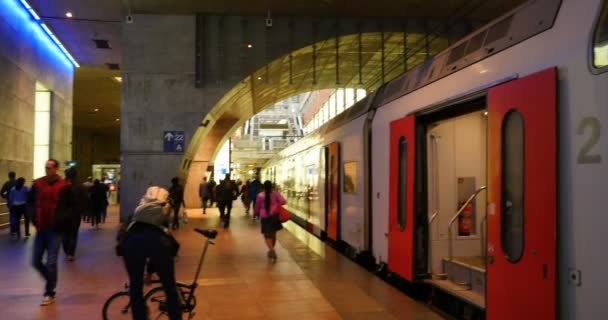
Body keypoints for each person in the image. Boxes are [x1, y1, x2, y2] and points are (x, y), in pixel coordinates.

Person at [122, 186, 181, 320]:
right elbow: (160, 241)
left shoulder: (140, 208)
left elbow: (126, 229)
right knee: (169, 287)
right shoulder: (163, 208)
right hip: (158, 243)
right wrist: (150, 271)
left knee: (135, 287)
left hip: (133, 242)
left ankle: (140, 316)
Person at [30, 159, 70, 306]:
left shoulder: (64, 186)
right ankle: (51, 280)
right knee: (35, 261)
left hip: (56, 229)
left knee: (51, 261)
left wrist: (65, 220)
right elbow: (31, 202)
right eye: (46, 167)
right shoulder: (38, 184)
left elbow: (72, 206)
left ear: (56, 169)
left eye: (50, 168)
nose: (47, 170)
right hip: (41, 228)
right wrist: (33, 217)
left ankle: (49, 292)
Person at [57, 167, 88, 261]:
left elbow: (57, 200)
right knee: (73, 234)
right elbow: (85, 200)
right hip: (75, 214)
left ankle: (66, 250)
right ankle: (71, 253)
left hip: (63, 214)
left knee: (64, 234)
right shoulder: (80, 186)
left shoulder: (61, 184)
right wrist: (84, 212)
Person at [254, 180, 286, 261]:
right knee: (273, 234)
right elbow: (283, 201)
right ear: (271, 186)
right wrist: (276, 204)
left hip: (265, 217)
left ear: (263, 187)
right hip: (274, 216)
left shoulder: (260, 195)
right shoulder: (276, 194)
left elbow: (257, 206)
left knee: (267, 235)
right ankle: (271, 250)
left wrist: (256, 213)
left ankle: (271, 250)